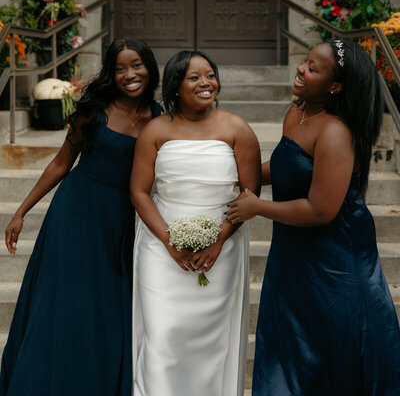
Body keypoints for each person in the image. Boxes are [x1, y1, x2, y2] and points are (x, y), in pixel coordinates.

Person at [227, 39, 400, 395]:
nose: (301, 69)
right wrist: (230, 174)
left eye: (313, 68)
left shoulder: (336, 131)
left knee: (332, 347)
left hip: (335, 257)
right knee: (289, 342)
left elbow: (320, 210)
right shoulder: (297, 111)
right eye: (305, 61)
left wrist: (257, 207)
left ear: (335, 86)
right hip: (293, 252)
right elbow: (286, 166)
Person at [0, 38, 162, 396]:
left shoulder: (160, 116)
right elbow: (61, 162)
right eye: (119, 68)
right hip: (75, 213)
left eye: (136, 65)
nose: (128, 75)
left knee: (105, 309)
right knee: (65, 303)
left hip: (119, 221)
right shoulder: (96, 109)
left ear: (149, 67)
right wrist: (21, 211)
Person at [130, 50, 261, 396]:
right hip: (160, 247)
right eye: (195, 77)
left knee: (210, 342)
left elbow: (249, 195)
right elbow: (140, 192)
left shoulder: (237, 128)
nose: (206, 83)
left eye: (210, 75)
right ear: (175, 86)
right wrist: (168, 241)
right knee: (162, 337)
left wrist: (219, 238)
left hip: (222, 248)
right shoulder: (155, 130)